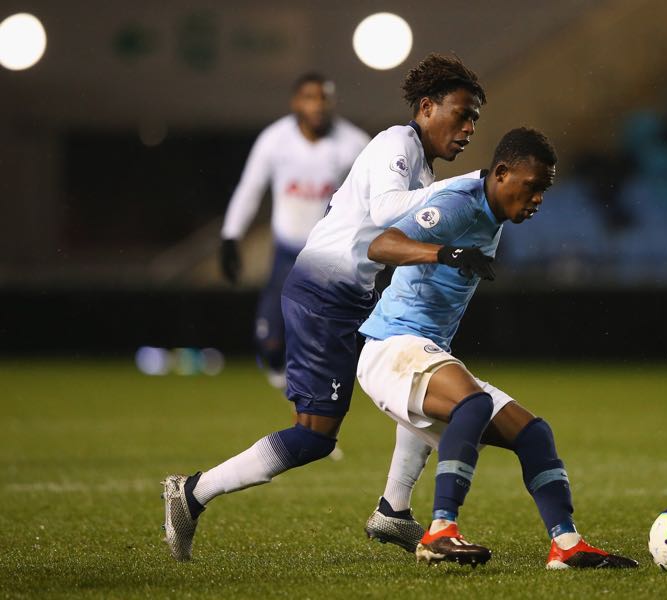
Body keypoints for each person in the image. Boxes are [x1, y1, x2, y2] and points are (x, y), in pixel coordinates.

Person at [162, 54, 488, 561]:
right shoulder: (396, 144)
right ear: (426, 107)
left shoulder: (417, 162)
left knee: (417, 385)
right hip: (322, 297)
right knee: (314, 437)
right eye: (461, 114)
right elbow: (383, 212)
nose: (468, 128)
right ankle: (192, 492)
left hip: (353, 297)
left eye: (475, 120)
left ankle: (394, 511)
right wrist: (469, 182)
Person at [357, 127, 639, 569]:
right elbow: (381, 244)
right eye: (533, 187)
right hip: (391, 348)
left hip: (423, 352)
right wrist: (445, 253)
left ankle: (566, 545)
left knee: (534, 435)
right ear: (502, 173)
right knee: (471, 405)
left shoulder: (494, 215)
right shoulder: (460, 205)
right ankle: (440, 532)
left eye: (544, 190)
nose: (538, 199)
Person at [219, 72, 369, 388]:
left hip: (329, 257)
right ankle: (298, 396)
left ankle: (312, 414)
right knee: (270, 343)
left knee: (321, 343)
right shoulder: (275, 140)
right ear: (295, 102)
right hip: (286, 253)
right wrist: (231, 236)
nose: (317, 106)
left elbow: (375, 198)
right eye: (310, 98)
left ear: (333, 102)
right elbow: (250, 188)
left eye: (323, 98)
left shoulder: (354, 143)